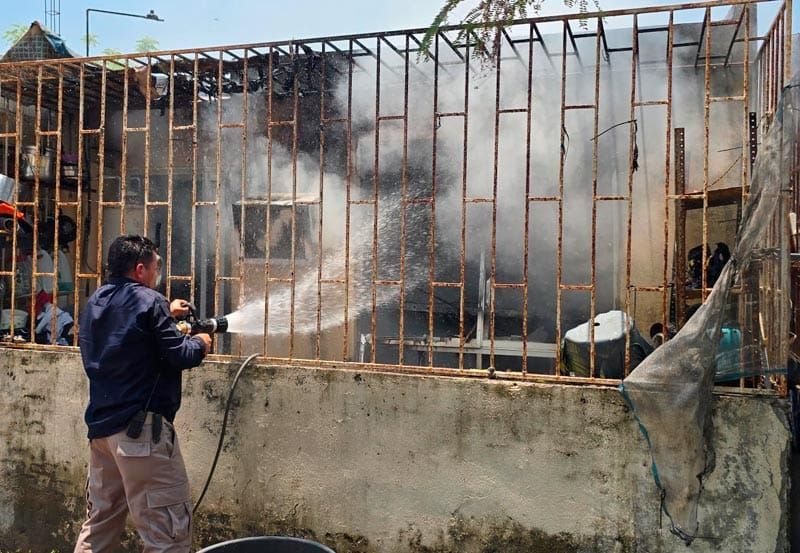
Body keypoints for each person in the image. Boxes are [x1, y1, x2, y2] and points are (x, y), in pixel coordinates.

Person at [73, 235, 212, 553]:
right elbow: (180, 355)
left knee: (99, 527)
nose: (156, 274)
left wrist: (167, 312)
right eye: (155, 267)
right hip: (141, 436)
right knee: (166, 534)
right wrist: (201, 343)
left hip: (102, 436)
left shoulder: (96, 302)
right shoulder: (149, 302)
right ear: (139, 269)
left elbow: (130, 334)